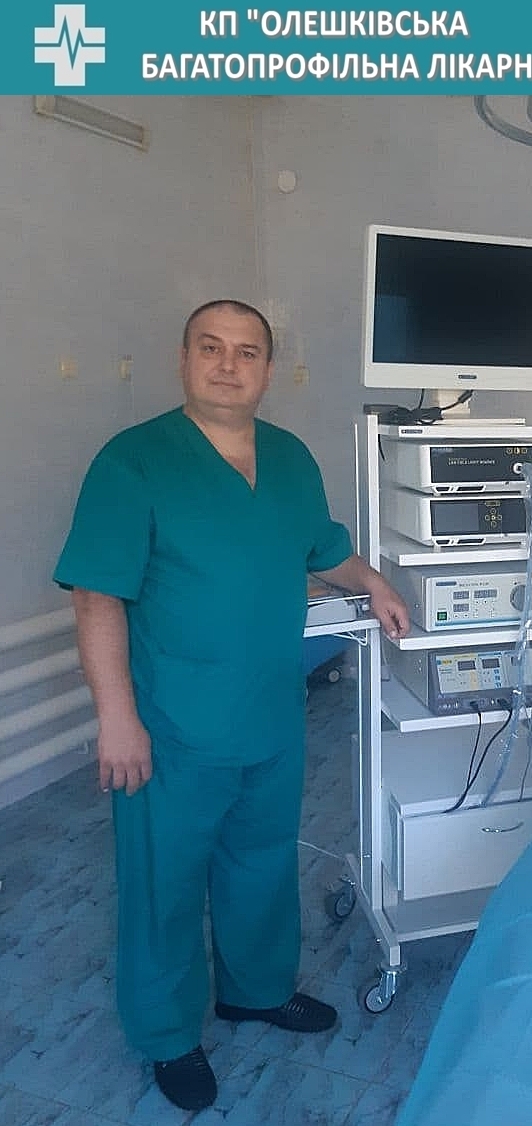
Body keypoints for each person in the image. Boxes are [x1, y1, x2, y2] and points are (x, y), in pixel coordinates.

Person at [54, 299, 410, 1112]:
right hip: (171, 724)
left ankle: (256, 992)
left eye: (247, 351)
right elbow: (96, 596)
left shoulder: (288, 457)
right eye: (210, 347)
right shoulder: (134, 462)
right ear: (184, 359)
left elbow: (324, 548)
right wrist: (117, 718)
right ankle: (167, 1035)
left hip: (270, 714)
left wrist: (375, 582)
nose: (227, 364)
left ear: (267, 370)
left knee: (261, 863)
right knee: (165, 882)